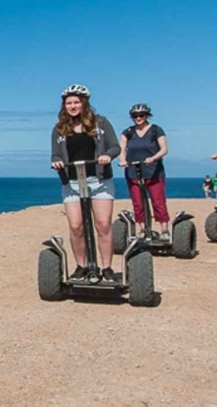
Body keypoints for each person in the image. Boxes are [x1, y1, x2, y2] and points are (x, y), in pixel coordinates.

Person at [50, 84, 120, 281]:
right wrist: (56, 162)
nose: (72, 106)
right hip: (72, 182)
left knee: (103, 224)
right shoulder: (59, 129)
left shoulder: (101, 123)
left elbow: (115, 147)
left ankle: (106, 268)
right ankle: (81, 266)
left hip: (99, 180)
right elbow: (56, 153)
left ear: (84, 103)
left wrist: (107, 156)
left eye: (76, 102)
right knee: (76, 226)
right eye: (69, 103)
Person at [116, 103, 170, 237]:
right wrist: (122, 160)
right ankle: (143, 229)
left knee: (158, 202)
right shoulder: (128, 132)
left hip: (154, 172)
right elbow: (121, 149)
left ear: (147, 116)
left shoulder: (156, 130)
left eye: (141, 115)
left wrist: (154, 158)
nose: (138, 118)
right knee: (138, 203)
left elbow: (164, 149)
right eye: (135, 116)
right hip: (133, 172)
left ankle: (164, 229)